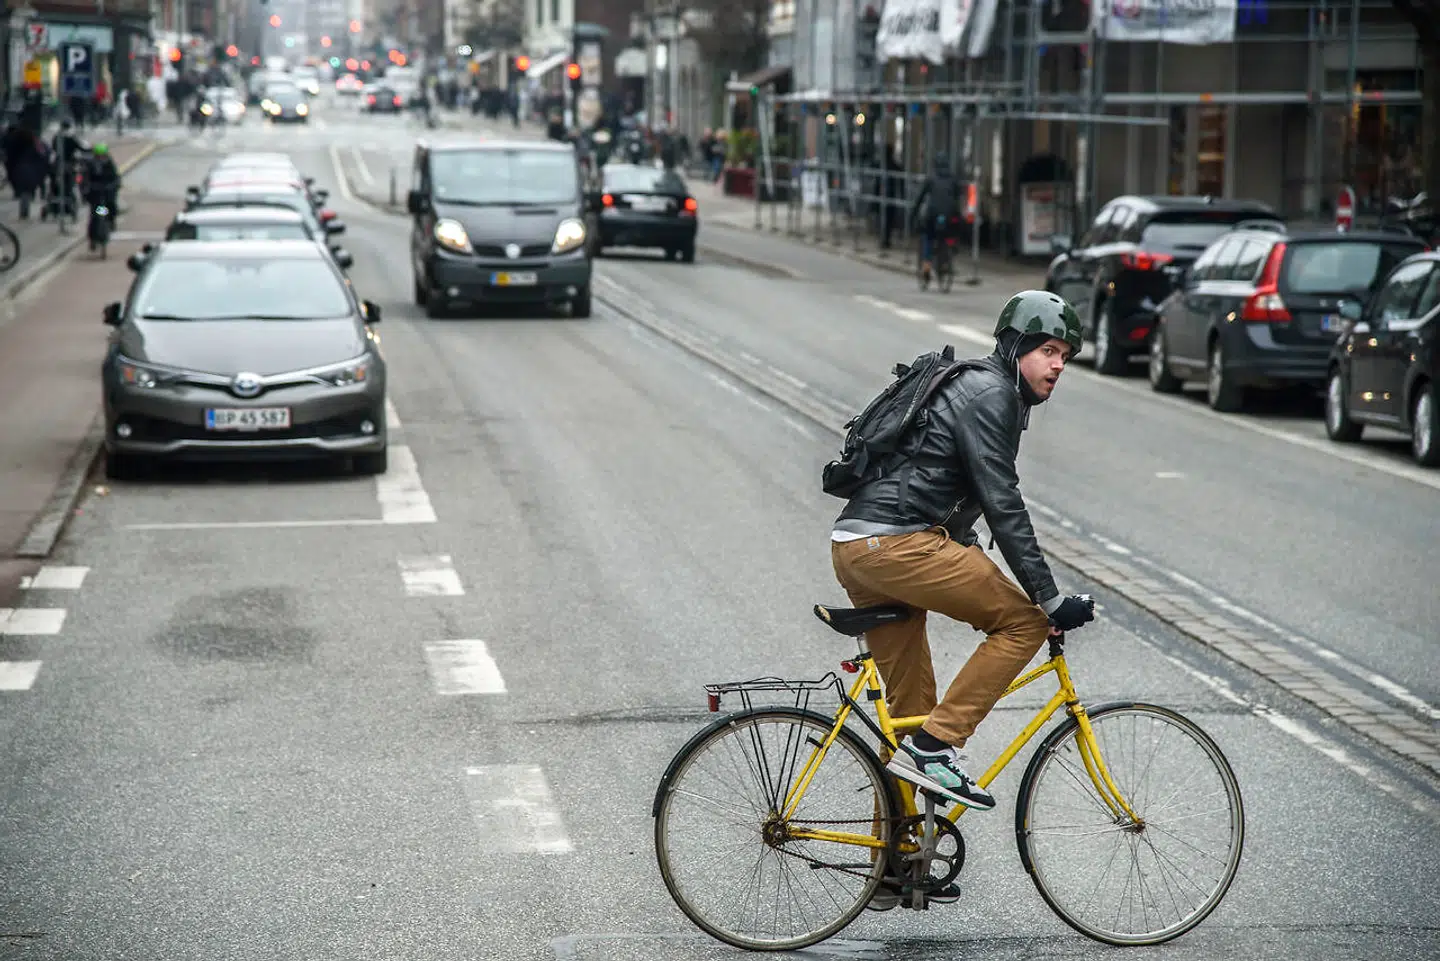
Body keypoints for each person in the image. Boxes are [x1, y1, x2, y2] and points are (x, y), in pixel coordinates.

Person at [829, 290, 1096, 813]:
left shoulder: (978, 386)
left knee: (913, 716)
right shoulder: (992, 394)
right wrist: (1048, 601)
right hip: (897, 543)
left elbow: (954, 507)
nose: (1059, 365)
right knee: (1023, 625)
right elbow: (1002, 502)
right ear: (1016, 345)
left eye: (1066, 356)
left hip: (858, 544)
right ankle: (935, 749)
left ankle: (893, 867)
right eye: (1048, 351)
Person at [909, 153, 961, 278]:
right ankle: (949, 254)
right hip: (950, 215)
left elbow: (920, 198)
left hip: (932, 214)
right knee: (950, 232)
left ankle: (926, 264)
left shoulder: (931, 179)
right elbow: (958, 196)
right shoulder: (953, 179)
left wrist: (913, 213)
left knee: (928, 236)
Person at [83, 142, 121, 228]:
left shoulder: (109, 163)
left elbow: (115, 176)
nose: (101, 158)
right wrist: (87, 188)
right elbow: (86, 177)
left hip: (107, 190)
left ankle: (111, 220)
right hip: (95, 191)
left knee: (110, 205)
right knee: (95, 210)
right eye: (98, 156)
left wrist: (115, 184)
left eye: (102, 155)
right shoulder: (90, 164)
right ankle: (93, 231)